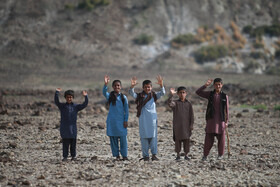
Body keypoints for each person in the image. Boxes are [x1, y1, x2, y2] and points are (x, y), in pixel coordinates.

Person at [129, 75, 165, 161]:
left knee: (153, 137)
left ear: (151, 87)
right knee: (144, 137)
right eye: (145, 87)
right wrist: (132, 86)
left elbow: (163, 93)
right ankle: (145, 156)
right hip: (143, 119)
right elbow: (132, 94)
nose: (147, 89)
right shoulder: (140, 96)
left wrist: (161, 85)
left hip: (152, 119)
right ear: (142, 87)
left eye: (149, 87)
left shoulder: (154, 95)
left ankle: (154, 155)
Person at [196, 78, 229, 161]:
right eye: (216, 84)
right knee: (208, 139)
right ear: (214, 85)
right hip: (211, 120)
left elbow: (227, 110)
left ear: (222, 85)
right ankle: (205, 155)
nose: (218, 86)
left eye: (219, 84)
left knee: (221, 139)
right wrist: (205, 85)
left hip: (221, 120)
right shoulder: (210, 94)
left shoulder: (225, 96)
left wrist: (226, 122)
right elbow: (198, 92)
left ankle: (220, 155)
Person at [54, 88, 88, 161]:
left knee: (73, 143)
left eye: (70, 97)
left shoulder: (76, 107)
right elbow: (56, 101)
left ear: (72, 98)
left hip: (73, 128)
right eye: (67, 97)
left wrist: (86, 96)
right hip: (65, 128)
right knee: (65, 143)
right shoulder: (62, 106)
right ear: (65, 98)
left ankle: (73, 156)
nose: (69, 98)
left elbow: (84, 104)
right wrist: (56, 93)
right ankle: (65, 157)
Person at [103, 75, 129, 161]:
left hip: (121, 122)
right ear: (113, 87)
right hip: (112, 121)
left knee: (123, 139)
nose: (117, 87)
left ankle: (124, 156)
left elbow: (126, 110)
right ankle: (117, 156)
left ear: (120, 87)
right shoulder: (110, 96)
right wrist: (105, 84)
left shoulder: (123, 97)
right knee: (113, 139)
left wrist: (126, 120)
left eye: (118, 85)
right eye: (115, 85)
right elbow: (104, 92)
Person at [168, 86, 194, 161]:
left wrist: (191, 125)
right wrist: (171, 95)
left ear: (186, 93)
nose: (182, 94)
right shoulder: (175, 103)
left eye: (183, 92)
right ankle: (178, 155)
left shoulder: (189, 104)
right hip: (178, 126)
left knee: (186, 140)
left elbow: (191, 115)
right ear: (178, 94)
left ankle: (186, 155)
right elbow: (169, 104)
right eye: (180, 93)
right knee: (178, 141)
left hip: (186, 126)